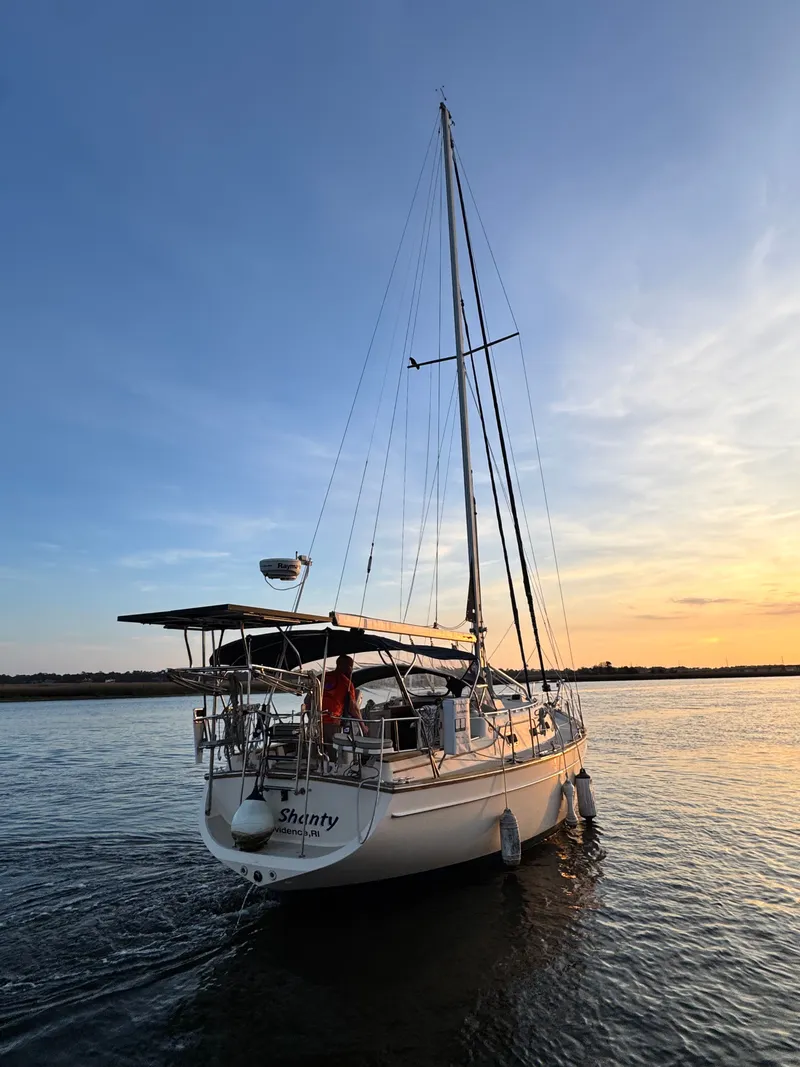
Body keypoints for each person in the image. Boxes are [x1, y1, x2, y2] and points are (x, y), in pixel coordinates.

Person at [307, 654, 367, 755]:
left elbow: (307, 701)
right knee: (334, 753)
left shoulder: (320, 678)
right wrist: (363, 726)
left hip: (315, 722)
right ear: (348, 667)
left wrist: (310, 718)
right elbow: (353, 708)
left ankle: (315, 768)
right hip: (332, 722)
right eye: (351, 667)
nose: (351, 670)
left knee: (315, 753)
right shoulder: (346, 683)